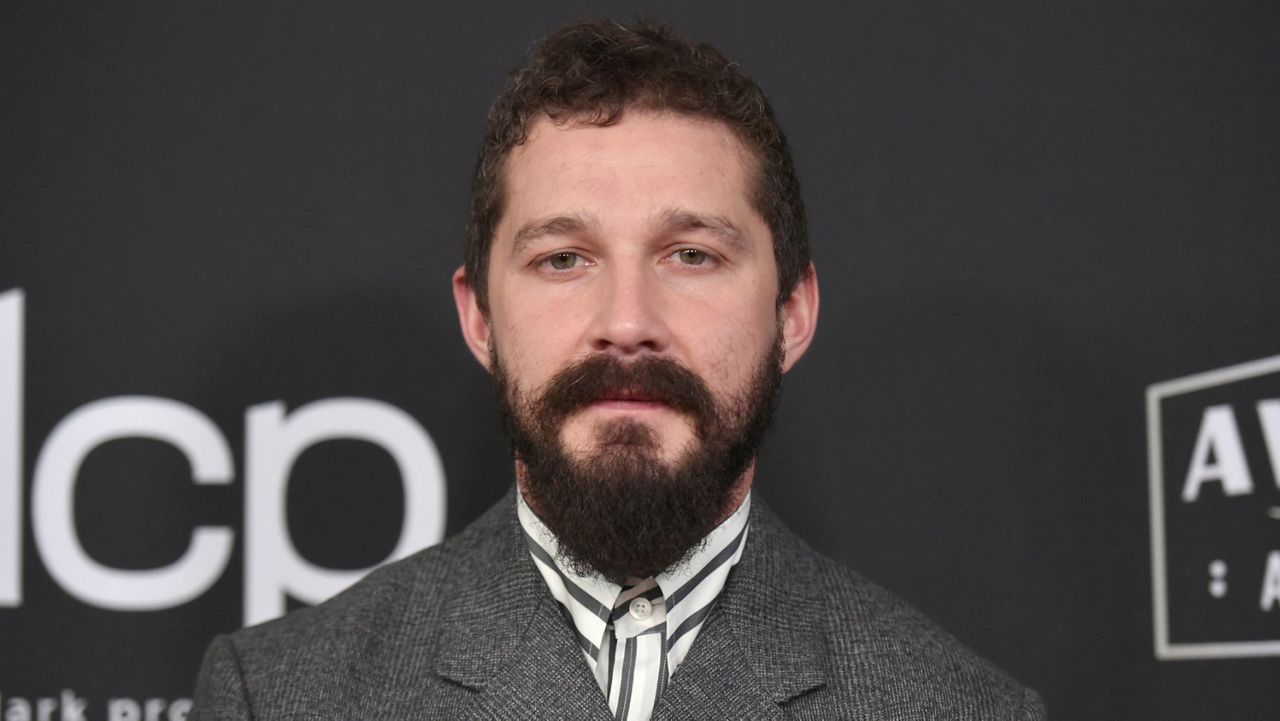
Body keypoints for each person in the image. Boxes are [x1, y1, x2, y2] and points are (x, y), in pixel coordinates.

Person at [192, 19, 1046, 720]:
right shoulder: (277, 696)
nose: (628, 324)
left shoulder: (959, 708)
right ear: (480, 317)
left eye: (691, 255)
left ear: (792, 313)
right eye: (564, 258)